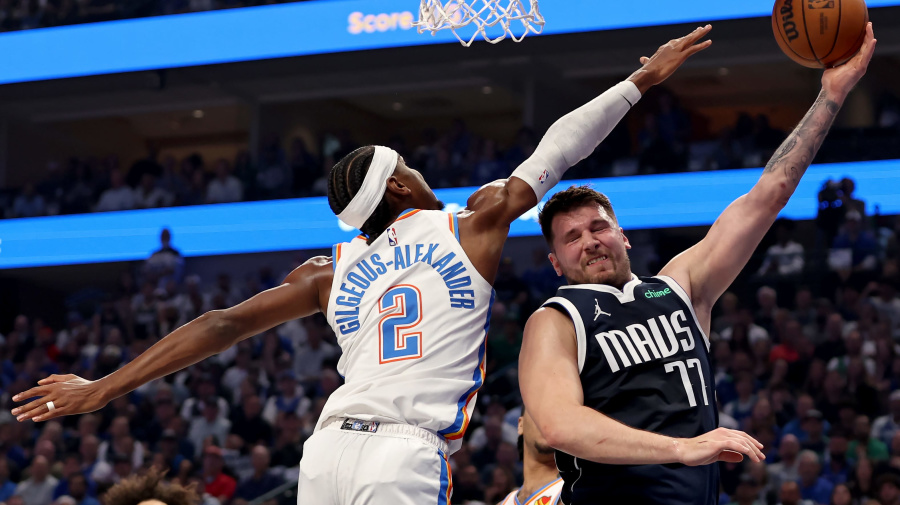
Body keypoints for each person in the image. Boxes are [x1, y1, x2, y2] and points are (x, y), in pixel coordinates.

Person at [11, 26, 714, 505]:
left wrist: (102, 387)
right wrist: (638, 81)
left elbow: (221, 323)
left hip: (325, 450)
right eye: (409, 165)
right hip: (403, 453)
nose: (419, 170)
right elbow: (558, 150)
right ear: (402, 186)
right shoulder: (469, 224)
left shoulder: (328, 269)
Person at [518, 24, 876, 505]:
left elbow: (766, 197)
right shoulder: (554, 320)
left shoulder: (679, 285)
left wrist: (831, 95)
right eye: (572, 237)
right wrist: (682, 449)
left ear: (622, 235)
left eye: (599, 227)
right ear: (555, 262)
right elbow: (561, 425)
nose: (590, 241)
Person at [499, 410, 563, 505]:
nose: (547, 422)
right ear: (521, 425)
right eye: (538, 412)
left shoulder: (580, 492)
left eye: (555, 417)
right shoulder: (504, 503)